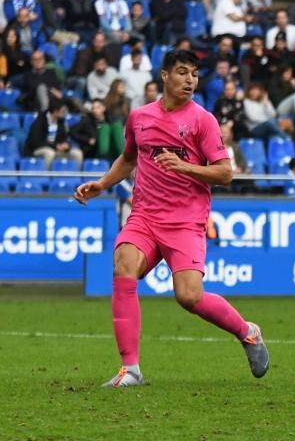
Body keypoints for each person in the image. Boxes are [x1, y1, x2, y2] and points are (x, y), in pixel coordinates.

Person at [74, 50, 268, 387]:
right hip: (145, 215)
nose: (190, 79)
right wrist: (103, 184)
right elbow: (129, 157)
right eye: (182, 72)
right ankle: (130, 369)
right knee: (123, 265)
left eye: (194, 73)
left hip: (186, 221)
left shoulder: (202, 120)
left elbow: (225, 173)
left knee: (189, 297)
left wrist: (185, 167)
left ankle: (247, 331)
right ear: (164, 76)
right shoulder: (140, 117)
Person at [24, 99, 83, 168]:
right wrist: (55, 146)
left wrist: (66, 145)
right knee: (50, 153)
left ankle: (77, 177)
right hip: (38, 149)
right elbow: (36, 142)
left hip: (56, 149)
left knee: (77, 154)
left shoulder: (61, 121)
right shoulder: (39, 122)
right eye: (62, 111)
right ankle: (47, 176)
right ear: (55, 111)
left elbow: (65, 137)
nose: (64, 113)